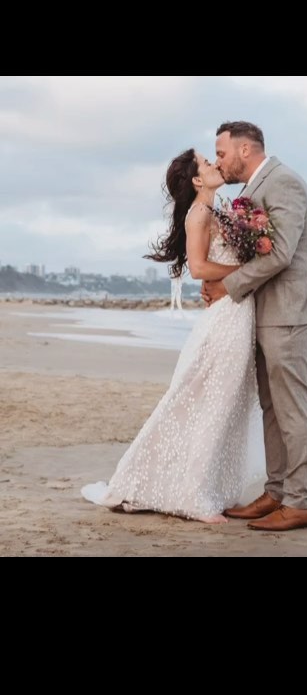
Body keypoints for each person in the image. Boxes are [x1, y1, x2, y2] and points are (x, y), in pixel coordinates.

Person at [81, 149, 263, 524]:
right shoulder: (199, 214)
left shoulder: (217, 211)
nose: (214, 165)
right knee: (206, 405)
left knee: (223, 406)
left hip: (236, 315)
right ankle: (192, 497)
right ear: (198, 180)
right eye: (207, 163)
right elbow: (198, 268)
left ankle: (196, 485)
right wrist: (249, 269)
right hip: (225, 320)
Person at [203, 121, 307, 531]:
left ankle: (300, 503)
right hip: (265, 311)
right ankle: (276, 493)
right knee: (272, 407)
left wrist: (228, 287)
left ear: (244, 149)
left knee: (292, 406)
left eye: (221, 153)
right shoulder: (251, 190)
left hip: (291, 311)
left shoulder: (284, 182)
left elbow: (282, 256)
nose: (218, 160)